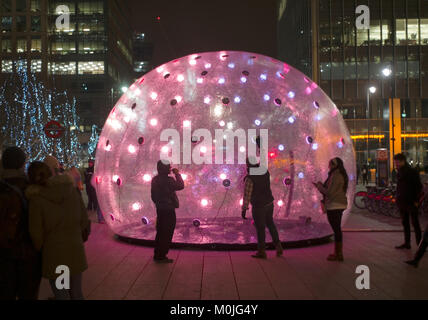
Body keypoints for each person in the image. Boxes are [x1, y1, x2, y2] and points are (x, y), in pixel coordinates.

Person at [26, 161, 90, 300]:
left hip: (56, 254)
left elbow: (36, 234)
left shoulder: (36, 199)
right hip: (75, 249)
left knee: (62, 293)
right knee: (77, 292)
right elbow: (84, 220)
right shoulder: (71, 191)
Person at [0, 147, 41, 300]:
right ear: (22, 164)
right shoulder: (31, 188)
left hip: (3, 255)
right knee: (28, 294)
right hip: (28, 254)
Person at [241, 158, 283, 259]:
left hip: (259, 206)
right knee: (270, 224)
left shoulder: (250, 178)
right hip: (269, 203)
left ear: (247, 165)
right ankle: (278, 246)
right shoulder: (264, 171)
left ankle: (262, 251)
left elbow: (247, 195)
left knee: (260, 229)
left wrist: (244, 209)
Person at [314, 157, 349, 262]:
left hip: (334, 205)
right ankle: (338, 253)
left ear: (335, 165)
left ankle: (338, 254)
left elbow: (329, 193)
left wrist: (319, 186)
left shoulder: (335, 175)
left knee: (336, 229)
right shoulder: (340, 174)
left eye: (330, 164)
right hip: (339, 204)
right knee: (337, 229)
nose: (328, 166)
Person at [151, 160, 184, 263]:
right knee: (167, 232)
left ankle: (157, 254)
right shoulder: (168, 180)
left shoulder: (155, 179)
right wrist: (177, 173)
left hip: (160, 208)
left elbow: (153, 196)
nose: (170, 168)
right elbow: (180, 185)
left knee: (160, 231)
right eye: (169, 167)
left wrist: (158, 203)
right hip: (168, 209)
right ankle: (162, 256)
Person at [393, 153, 423, 250]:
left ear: (403, 161)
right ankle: (407, 243)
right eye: (395, 162)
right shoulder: (400, 172)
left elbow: (419, 187)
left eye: (397, 162)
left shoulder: (411, 172)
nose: (396, 164)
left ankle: (420, 244)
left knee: (415, 223)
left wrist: (416, 200)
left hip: (411, 201)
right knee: (405, 222)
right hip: (402, 201)